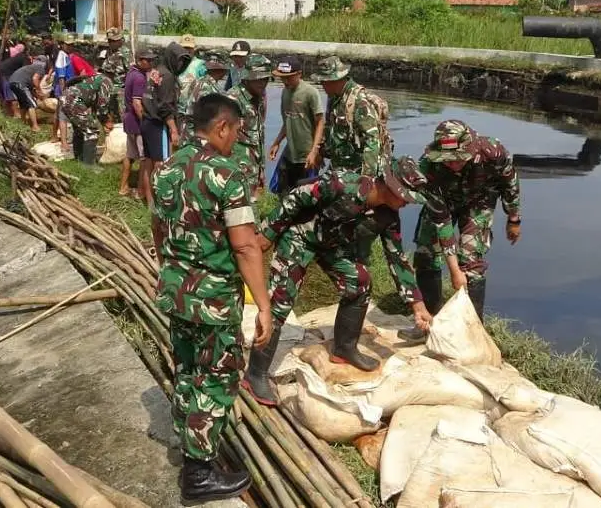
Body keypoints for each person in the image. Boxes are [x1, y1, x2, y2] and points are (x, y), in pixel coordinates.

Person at [152, 92, 271, 502]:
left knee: (187, 369)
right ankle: (199, 475)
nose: (236, 140)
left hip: (175, 292)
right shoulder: (227, 173)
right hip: (214, 301)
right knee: (216, 379)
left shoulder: (167, 168)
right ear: (221, 127)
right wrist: (263, 306)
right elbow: (245, 246)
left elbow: (158, 230)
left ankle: (188, 446)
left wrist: (173, 268)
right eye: (236, 131)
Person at [245, 158, 435, 404]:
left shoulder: (389, 217)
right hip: (300, 236)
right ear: (392, 186)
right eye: (406, 196)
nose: (408, 203)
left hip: (334, 248)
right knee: (279, 302)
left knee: (361, 282)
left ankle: (344, 349)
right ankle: (255, 374)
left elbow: (397, 259)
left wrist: (417, 305)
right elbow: (296, 198)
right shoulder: (341, 184)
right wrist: (268, 232)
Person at [399, 120, 522, 336]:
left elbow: (509, 182)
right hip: (442, 203)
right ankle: (429, 322)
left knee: (471, 262)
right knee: (426, 254)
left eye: (458, 159)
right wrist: (454, 271)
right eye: (447, 160)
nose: (453, 164)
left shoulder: (493, 151)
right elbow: (441, 219)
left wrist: (513, 219)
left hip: (478, 203)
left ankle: (472, 331)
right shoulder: (427, 165)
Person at [314, 55, 387, 177]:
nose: (322, 85)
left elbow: (373, 140)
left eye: (324, 81)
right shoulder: (334, 98)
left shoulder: (359, 102)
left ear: (335, 80)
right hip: (339, 166)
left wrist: (367, 178)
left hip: (357, 171)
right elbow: (332, 129)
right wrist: (320, 151)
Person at [268, 56, 325, 194]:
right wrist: (277, 142)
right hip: (290, 152)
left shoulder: (311, 93)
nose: (285, 81)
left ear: (299, 74)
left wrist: (314, 151)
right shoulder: (285, 92)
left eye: (289, 77)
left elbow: (320, 122)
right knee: (279, 190)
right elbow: (287, 121)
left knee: (307, 194)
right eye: (282, 78)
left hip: (307, 155)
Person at [141, 42, 188, 203]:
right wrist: (174, 129)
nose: (180, 64)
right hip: (158, 124)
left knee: (148, 162)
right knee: (161, 164)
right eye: (178, 60)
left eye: (183, 61)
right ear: (171, 58)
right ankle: (162, 201)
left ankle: (150, 201)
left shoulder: (157, 71)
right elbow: (165, 106)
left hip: (146, 121)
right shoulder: (167, 76)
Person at [226, 54, 270, 196]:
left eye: (265, 79)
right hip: (236, 166)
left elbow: (259, 133)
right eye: (258, 79)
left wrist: (261, 168)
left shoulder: (260, 98)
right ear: (247, 78)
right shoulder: (233, 99)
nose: (262, 83)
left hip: (254, 166)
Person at [61, 60, 115, 165]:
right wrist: (106, 122)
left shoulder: (96, 78)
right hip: (74, 101)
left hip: (66, 98)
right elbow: (102, 105)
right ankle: (89, 165)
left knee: (80, 129)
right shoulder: (106, 81)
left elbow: (95, 103)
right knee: (92, 130)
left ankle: (79, 159)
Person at [176, 51, 229, 144]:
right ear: (221, 70)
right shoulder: (208, 88)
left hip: (190, 133)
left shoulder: (197, 82)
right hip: (198, 137)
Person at [121, 49, 152, 199]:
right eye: (148, 60)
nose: (151, 62)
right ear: (140, 60)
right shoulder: (139, 77)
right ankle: (140, 192)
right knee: (144, 158)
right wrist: (145, 122)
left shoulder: (131, 73)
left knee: (129, 155)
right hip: (136, 122)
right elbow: (137, 102)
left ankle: (123, 187)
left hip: (128, 120)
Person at [8, 56, 50, 132]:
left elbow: (31, 89)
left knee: (23, 103)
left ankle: (23, 122)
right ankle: (35, 126)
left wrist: (37, 95)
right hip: (20, 83)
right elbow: (35, 79)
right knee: (32, 104)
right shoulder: (40, 69)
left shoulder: (30, 67)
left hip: (12, 82)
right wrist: (40, 91)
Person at [98, 27, 131, 118]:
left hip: (121, 90)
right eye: (111, 41)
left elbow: (130, 72)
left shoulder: (125, 53)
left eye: (116, 40)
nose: (113, 43)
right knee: (110, 116)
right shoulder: (107, 52)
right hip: (109, 89)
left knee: (122, 116)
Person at [0, 43, 30, 117]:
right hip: (6, 74)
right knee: (12, 95)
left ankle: (8, 113)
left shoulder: (17, 56)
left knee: (7, 95)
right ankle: (16, 114)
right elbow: (24, 71)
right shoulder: (24, 58)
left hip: (0, 72)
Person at [52, 35, 74, 148]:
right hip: (63, 89)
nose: (70, 46)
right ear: (63, 45)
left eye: (72, 44)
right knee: (63, 115)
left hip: (66, 88)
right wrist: (63, 94)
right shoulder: (61, 56)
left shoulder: (65, 55)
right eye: (68, 45)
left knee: (58, 113)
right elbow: (61, 78)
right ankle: (64, 142)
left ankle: (53, 135)